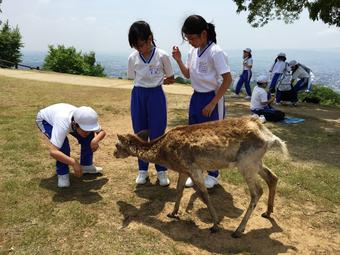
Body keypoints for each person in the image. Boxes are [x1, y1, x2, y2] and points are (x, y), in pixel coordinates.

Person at [172, 15, 232, 188]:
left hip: (211, 98)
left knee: (211, 139)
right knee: (194, 138)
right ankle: (197, 171)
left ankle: (213, 175)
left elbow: (227, 79)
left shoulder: (216, 52)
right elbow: (187, 74)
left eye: (192, 38)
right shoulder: (193, 51)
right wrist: (178, 59)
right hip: (196, 97)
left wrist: (213, 103)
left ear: (204, 34)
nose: (190, 42)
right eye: (187, 38)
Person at [127, 20, 174, 186]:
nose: (140, 49)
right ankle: (142, 170)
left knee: (158, 135)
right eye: (136, 46)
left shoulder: (162, 55)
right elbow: (132, 77)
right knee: (140, 134)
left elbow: (171, 77)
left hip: (156, 95)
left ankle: (161, 171)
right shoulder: (133, 57)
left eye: (142, 44)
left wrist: (165, 80)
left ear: (150, 38)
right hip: (138, 94)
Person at [36, 103, 106, 188]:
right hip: (45, 120)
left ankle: (86, 166)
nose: (87, 132)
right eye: (85, 130)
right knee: (63, 146)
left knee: (90, 136)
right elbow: (53, 151)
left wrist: (95, 140)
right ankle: (62, 174)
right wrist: (73, 162)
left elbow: (102, 132)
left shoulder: (87, 118)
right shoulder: (62, 123)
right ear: (75, 124)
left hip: (63, 115)